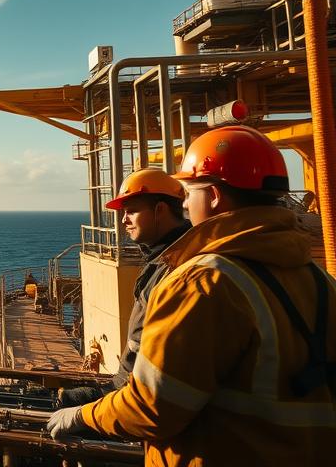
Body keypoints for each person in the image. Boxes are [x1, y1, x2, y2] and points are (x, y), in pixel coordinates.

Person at [47, 125, 336, 464]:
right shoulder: (317, 277)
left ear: (212, 195)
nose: (185, 201)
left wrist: (83, 416)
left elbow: (152, 406)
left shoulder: (203, 281)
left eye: (189, 191)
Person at [58, 168, 190, 407]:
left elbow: (154, 381)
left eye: (131, 211)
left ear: (160, 210)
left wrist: (89, 411)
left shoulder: (175, 270)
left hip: (141, 405)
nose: (123, 220)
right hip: (129, 395)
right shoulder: (161, 259)